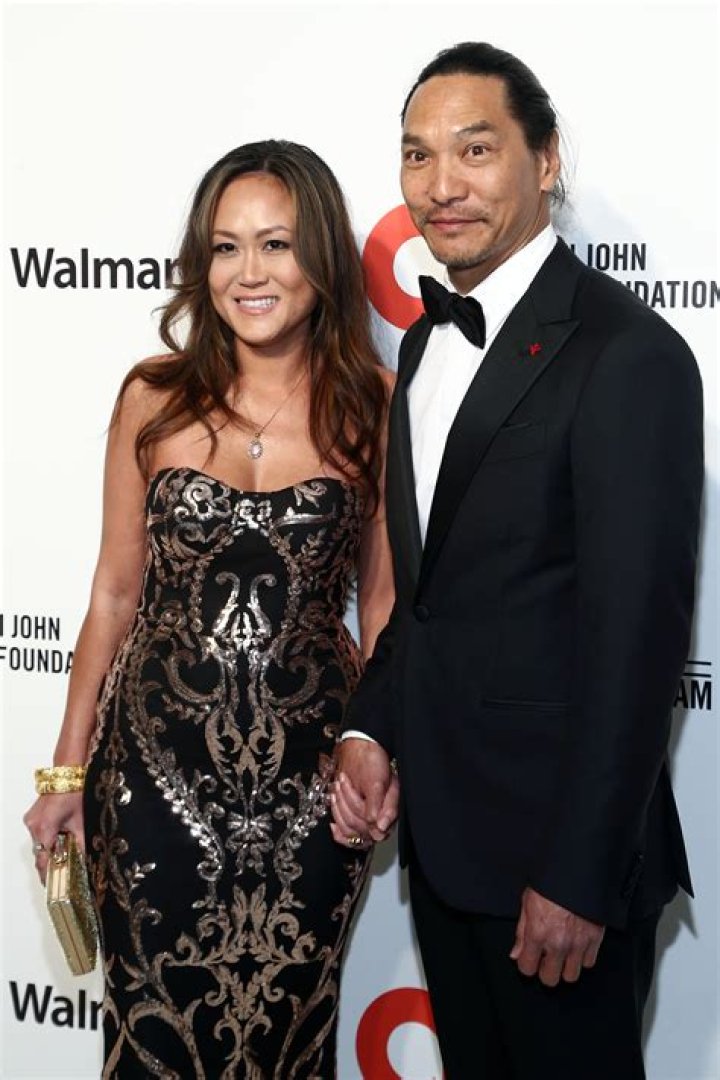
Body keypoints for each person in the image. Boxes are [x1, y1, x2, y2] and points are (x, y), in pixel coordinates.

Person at [331, 42, 703, 1079]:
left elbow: (638, 645)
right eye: (417, 155)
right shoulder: (420, 349)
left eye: (475, 149)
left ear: (545, 161)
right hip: (446, 851)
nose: (440, 184)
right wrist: (371, 723)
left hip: (560, 871)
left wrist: (579, 874)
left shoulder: (629, 355)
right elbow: (432, 595)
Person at [24, 139, 394, 1078]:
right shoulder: (153, 398)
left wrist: (384, 745)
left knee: (288, 1041)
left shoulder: (376, 406)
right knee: (154, 1039)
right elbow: (114, 592)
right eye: (226, 248)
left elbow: (386, 605)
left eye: (275, 244)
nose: (248, 273)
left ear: (321, 255)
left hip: (313, 789)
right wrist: (66, 774)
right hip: (151, 781)